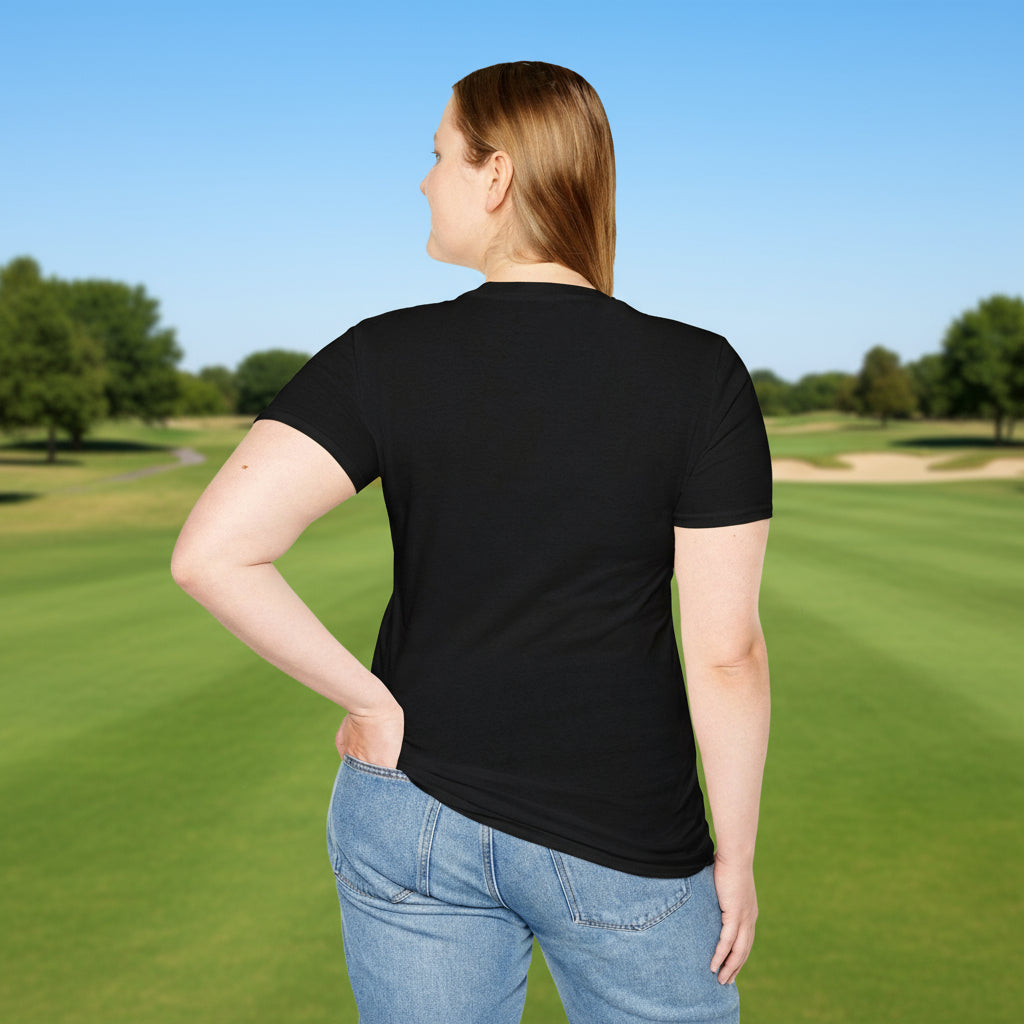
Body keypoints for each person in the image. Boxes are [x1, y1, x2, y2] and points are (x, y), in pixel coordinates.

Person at [172, 60, 772, 1024]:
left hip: (410, 813)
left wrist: (370, 702)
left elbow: (211, 554)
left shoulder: (382, 354)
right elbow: (727, 653)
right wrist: (734, 857)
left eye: (440, 153)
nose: (424, 179)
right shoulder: (700, 374)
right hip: (628, 838)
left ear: (497, 176)